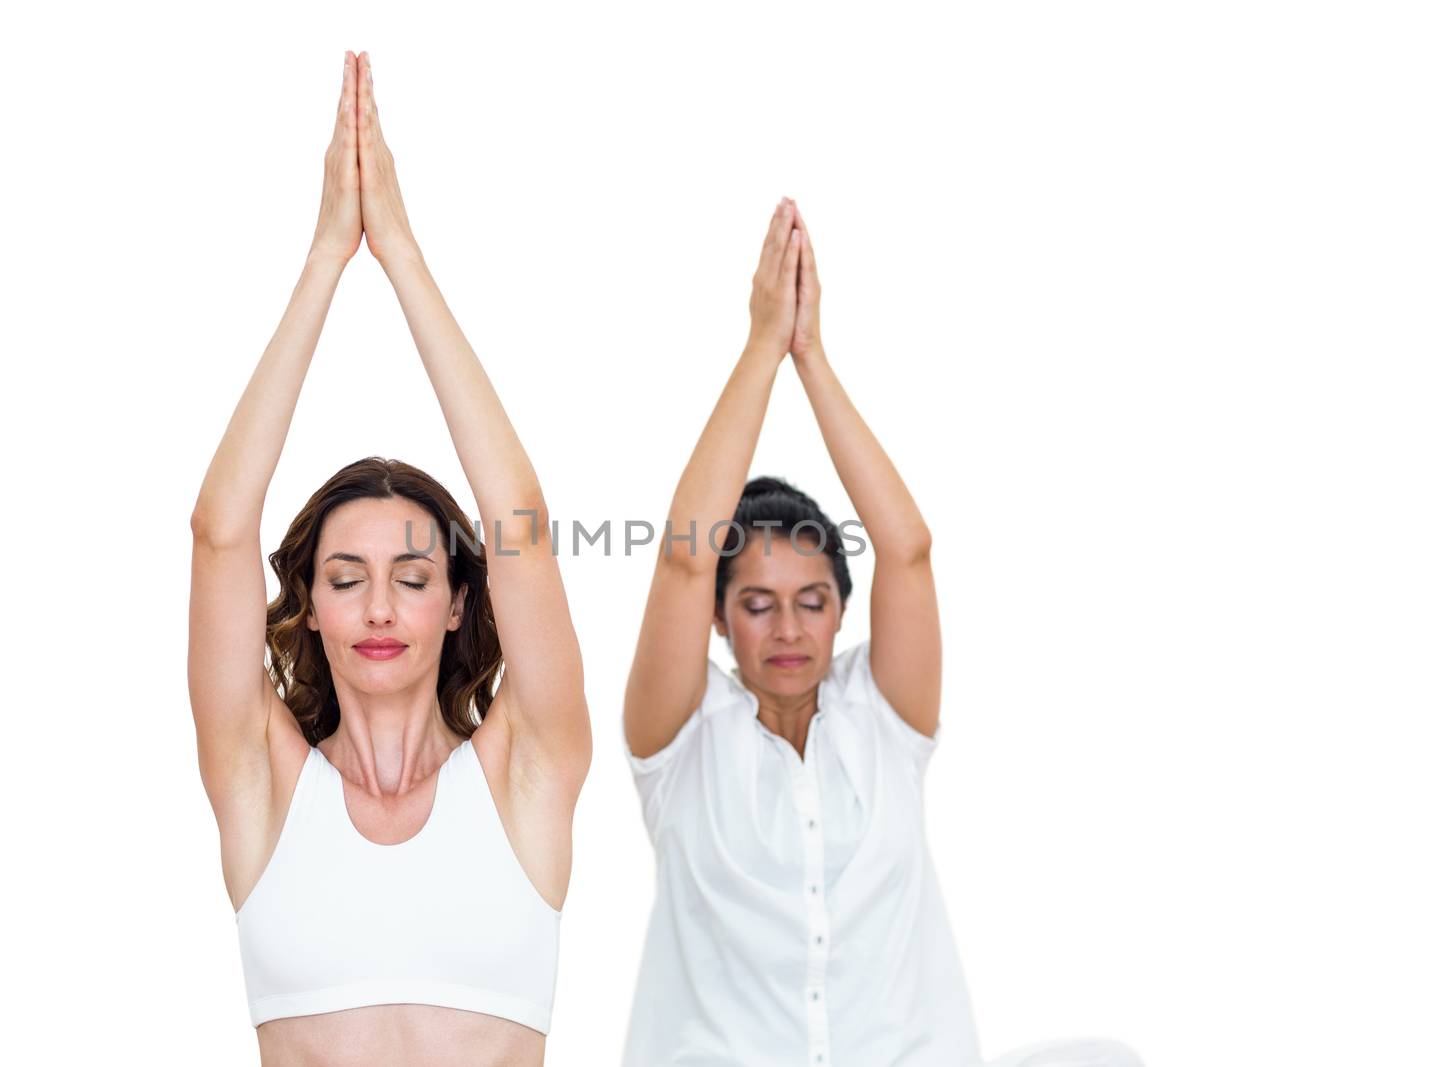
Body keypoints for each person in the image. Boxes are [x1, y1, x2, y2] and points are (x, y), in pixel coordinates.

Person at [620, 198, 1142, 1067]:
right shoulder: (676, 742)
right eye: (756, 603)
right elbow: (683, 557)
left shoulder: (883, 716)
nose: (788, 626)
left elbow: (909, 549)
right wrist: (761, 348)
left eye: (813, 599)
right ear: (716, 617)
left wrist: (812, 356)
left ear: (842, 608)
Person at [187, 51, 590, 1067]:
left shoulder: (528, 771)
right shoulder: (260, 781)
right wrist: (327, 255)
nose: (378, 606)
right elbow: (220, 532)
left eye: (414, 577)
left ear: (460, 602)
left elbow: (521, 523)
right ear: (309, 605)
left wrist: (399, 250)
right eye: (344, 576)